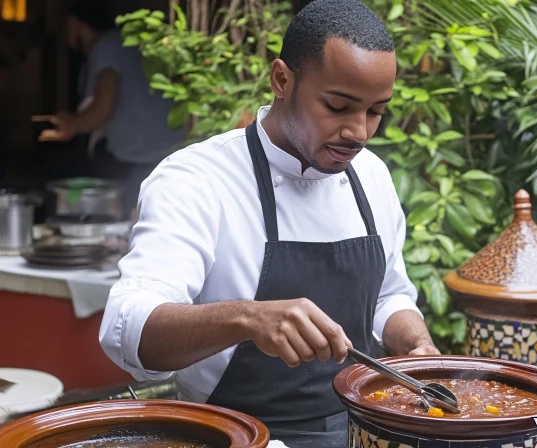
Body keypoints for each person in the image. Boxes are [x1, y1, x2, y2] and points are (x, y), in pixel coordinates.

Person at [99, 0, 439, 446]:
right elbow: (128, 328)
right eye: (338, 106)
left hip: (361, 431)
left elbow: (389, 295)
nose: (359, 132)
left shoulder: (371, 176)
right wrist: (247, 317)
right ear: (282, 80)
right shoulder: (198, 179)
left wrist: (416, 345)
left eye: (376, 111)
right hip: (231, 434)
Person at [39, 0, 184, 216]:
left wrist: (73, 125)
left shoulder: (106, 47)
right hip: (162, 151)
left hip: (142, 159)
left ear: (76, 22)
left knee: (134, 225)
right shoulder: (120, 45)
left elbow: (104, 105)